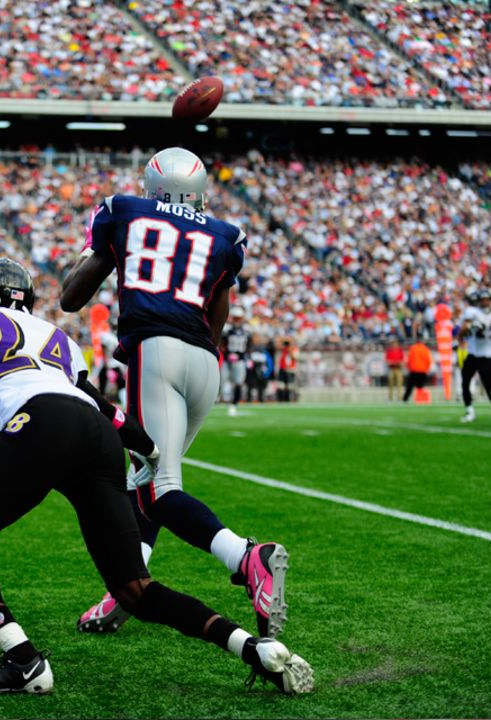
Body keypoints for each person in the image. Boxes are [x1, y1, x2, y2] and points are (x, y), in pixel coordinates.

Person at [0, 259, 313, 696]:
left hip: (39, 424)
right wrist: (146, 447)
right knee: (134, 590)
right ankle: (252, 647)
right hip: (96, 435)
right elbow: (103, 406)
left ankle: (24, 660)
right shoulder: (55, 337)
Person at [59, 148, 291, 640]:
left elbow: (71, 297)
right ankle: (126, 586)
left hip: (156, 349)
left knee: (158, 488)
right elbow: (219, 313)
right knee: (143, 475)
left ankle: (247, 556)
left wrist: (95, 258)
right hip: (206, 362)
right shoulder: (226, 235)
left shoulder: (123, 209)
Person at [457, 288, 491, 426]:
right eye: (482, 300)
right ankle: (472, 410)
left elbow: (464, 329)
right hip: (475, 353)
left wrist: (461, 337)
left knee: (488, 384)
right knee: (466, 381)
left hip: (487, 354)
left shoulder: (482, 312)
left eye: (486, 300)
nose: (484, 303)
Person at [221, 309, 251, 416]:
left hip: (240, 361)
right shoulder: (227, 331)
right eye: (235, 318)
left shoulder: (246, 332)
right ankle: (220, 400)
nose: (237, 320)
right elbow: (222, 344)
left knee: (238, 383)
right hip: (227, 360)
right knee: (222, 380)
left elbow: (249, 346)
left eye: (239, 318)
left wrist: (245, 357)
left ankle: (234, 405)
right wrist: (227, 353)